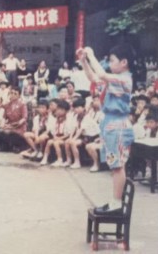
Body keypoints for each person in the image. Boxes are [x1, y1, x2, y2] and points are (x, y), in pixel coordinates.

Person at [78, 44, 135, 214]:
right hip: (111, 124)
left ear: (124, 62)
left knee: (117, 166)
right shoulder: (116, 78)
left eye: (112, 60)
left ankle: (116, 203)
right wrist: (84, 62)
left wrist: (91, 55)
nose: (109, 63)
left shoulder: (124, 79)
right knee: (115, 165)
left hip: (117, 125)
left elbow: (101, 74)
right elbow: (94, 78)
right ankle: (114, 201)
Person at [64, 98, 100, 169]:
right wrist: (71, 137)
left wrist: (73, 139)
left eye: (78, 108)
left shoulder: (87, 117)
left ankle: (77, 162)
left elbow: (80, 129)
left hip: (92, 136)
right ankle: (69, 160)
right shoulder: (76, 116)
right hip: (83, 136)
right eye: (75, 108)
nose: (76, 109)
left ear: (83, 108)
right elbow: (74, 127)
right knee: (67, 141)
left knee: (73, 143)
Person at [40, 99, 76, 167]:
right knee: (49, 142)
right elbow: (53, 130)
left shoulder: (69, 120)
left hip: (65, 138)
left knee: (56, 143)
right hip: (57, 136)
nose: (59, 111)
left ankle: (60, 159)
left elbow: (69, 133)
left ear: (66, 111)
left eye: (62, 110)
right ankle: (45, 157)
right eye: (58, 109)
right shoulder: (56, 118)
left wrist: (59, 138)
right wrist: (55, 137)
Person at [0, 87, 28, 152]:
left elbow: (24, 118)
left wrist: (12, 126)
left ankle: (17, 147)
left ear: (19, 95)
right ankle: (5, 147)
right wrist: (2, 124)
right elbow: (4, 117)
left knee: (11, 134)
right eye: (11, 93)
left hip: (19, 127)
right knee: (0, 131)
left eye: (15, 94)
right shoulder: (8, 105)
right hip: (9, 126)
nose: (13, 95)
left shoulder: (22, 105)